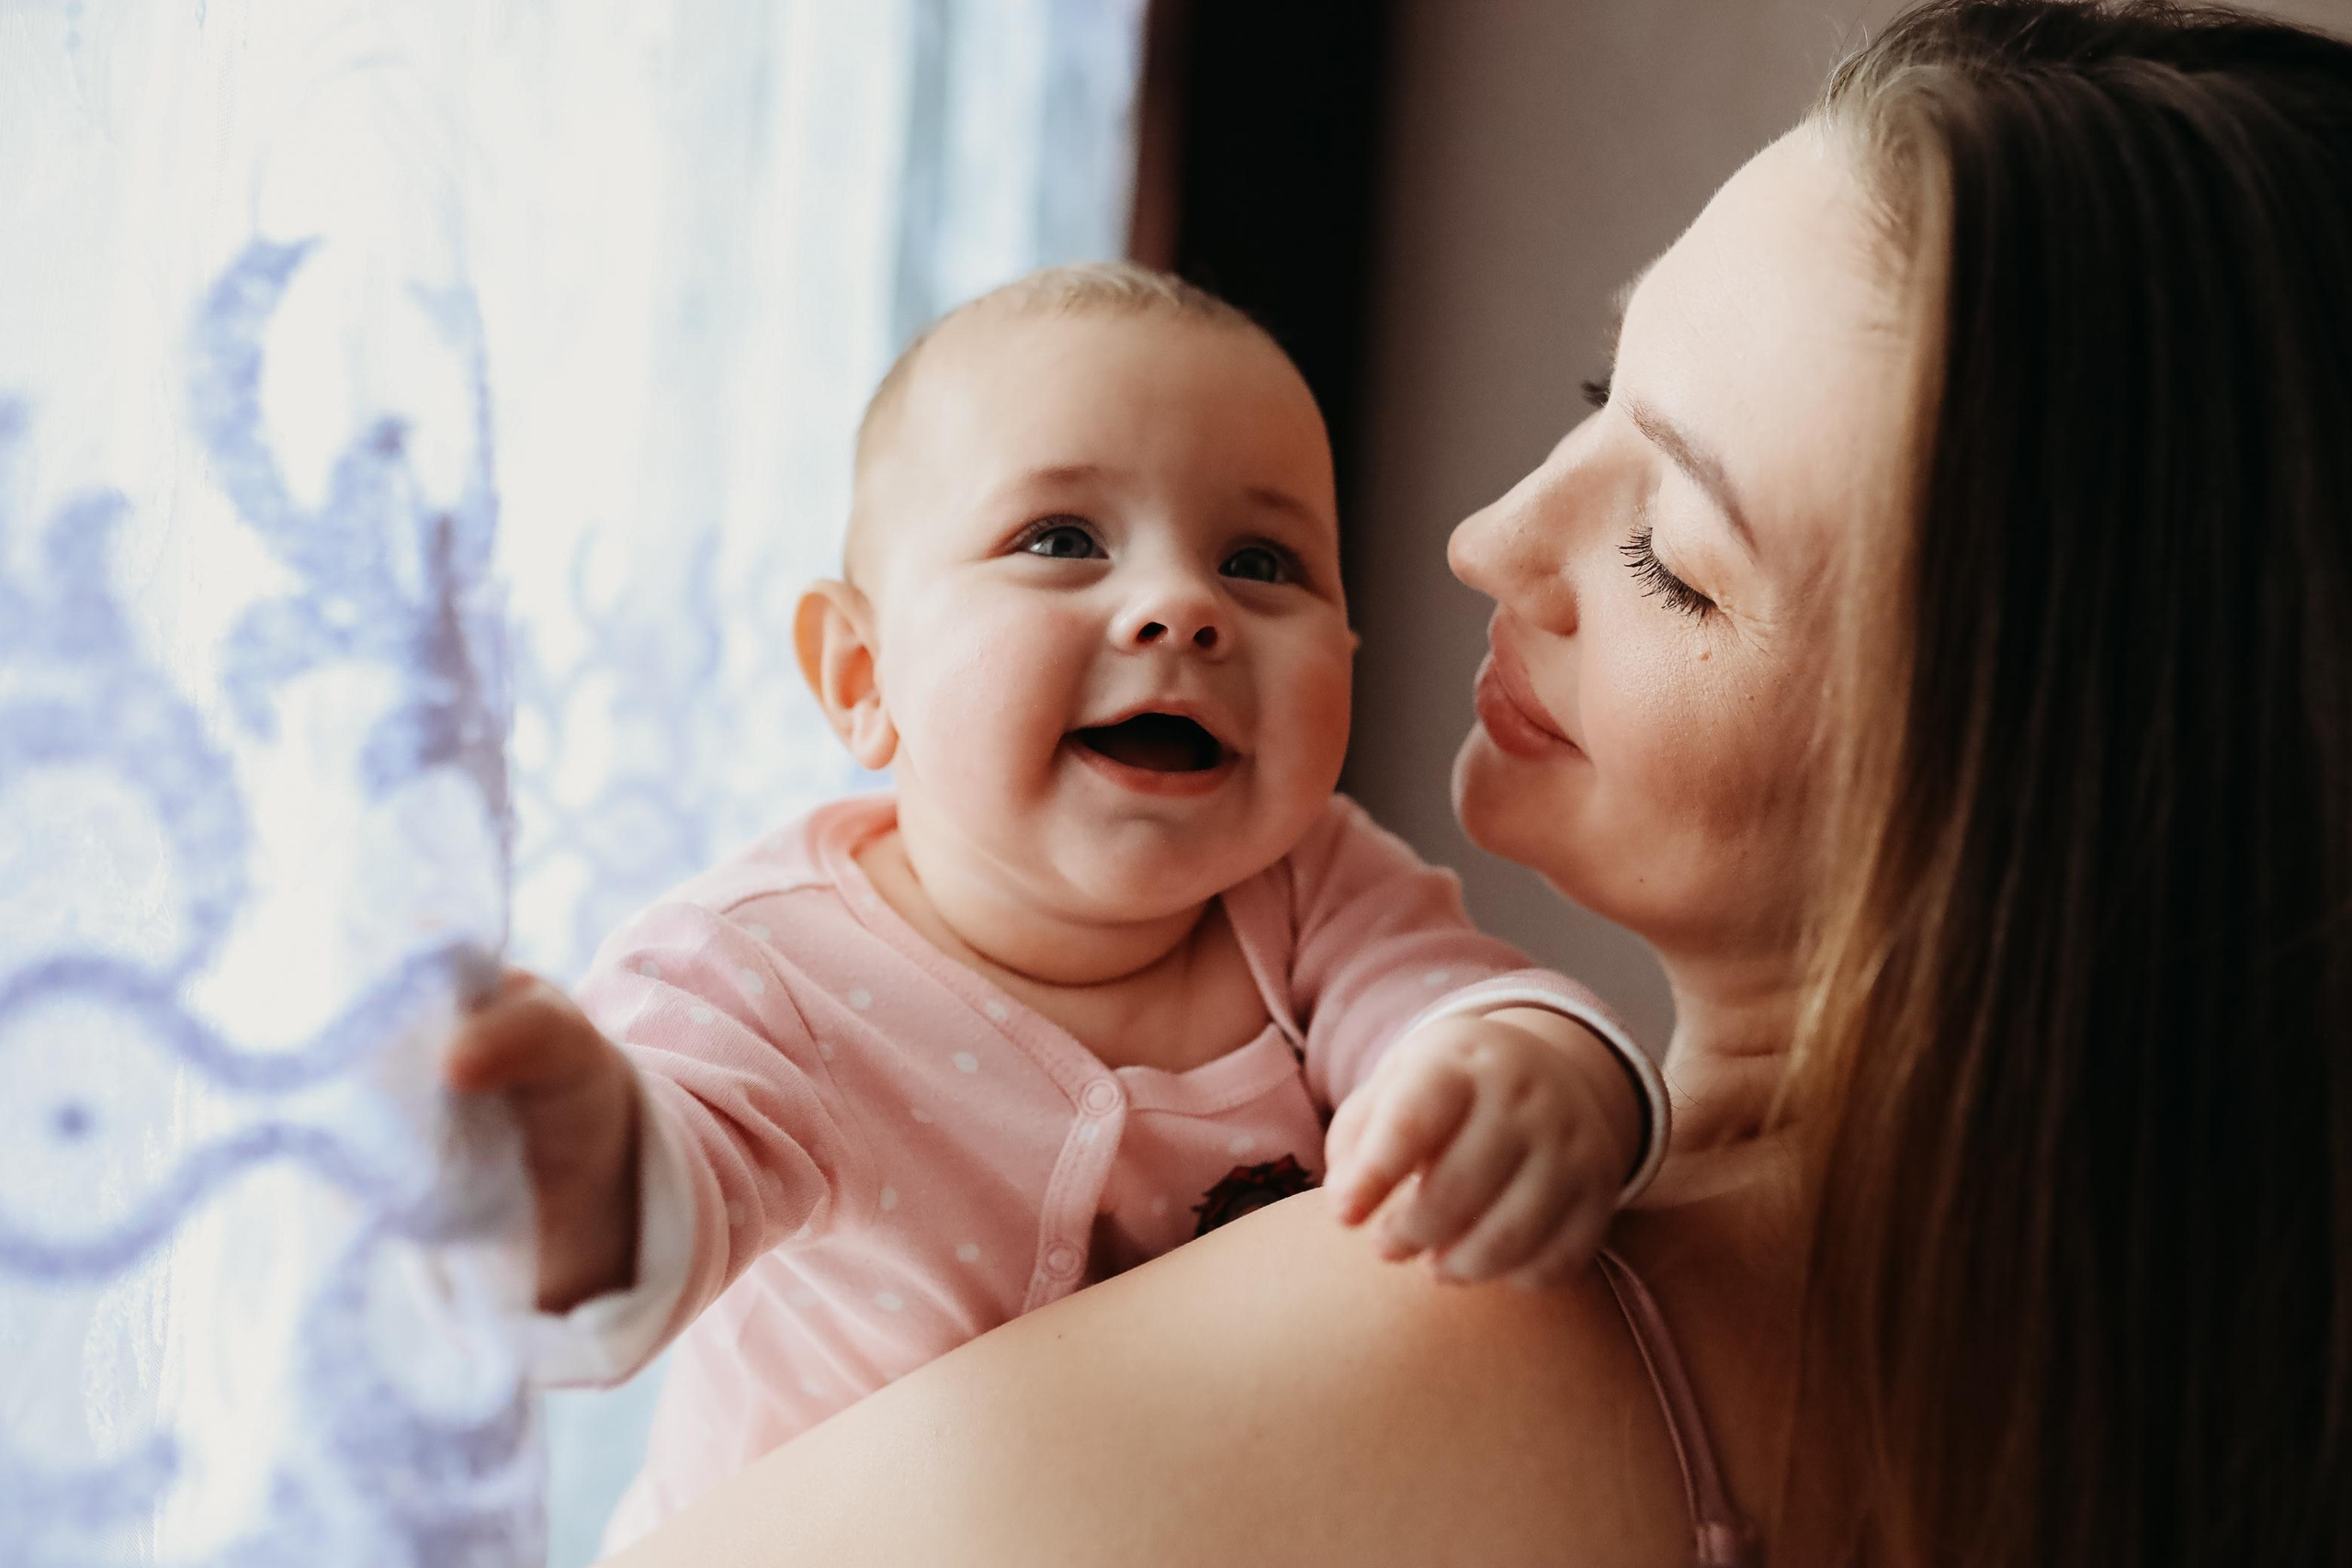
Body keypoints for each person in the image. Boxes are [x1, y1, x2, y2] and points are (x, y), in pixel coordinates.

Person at [601, 3, 2352, 1564]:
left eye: (1668, 547)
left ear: (2016, 788)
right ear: (856, 669)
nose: (1479, 539)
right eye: (1600, 396)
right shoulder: (2201, 1403)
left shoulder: (1453, 1328)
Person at [444, 263, 1674, 1547]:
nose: (1183, 609)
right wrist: (578, 1177)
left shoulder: (1311, 887)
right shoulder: (758, 972)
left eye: (1261, 562)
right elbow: (648, 1235)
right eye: (1062, 542)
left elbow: (1446, 1003)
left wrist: (1534, 1069)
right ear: (863, 673)